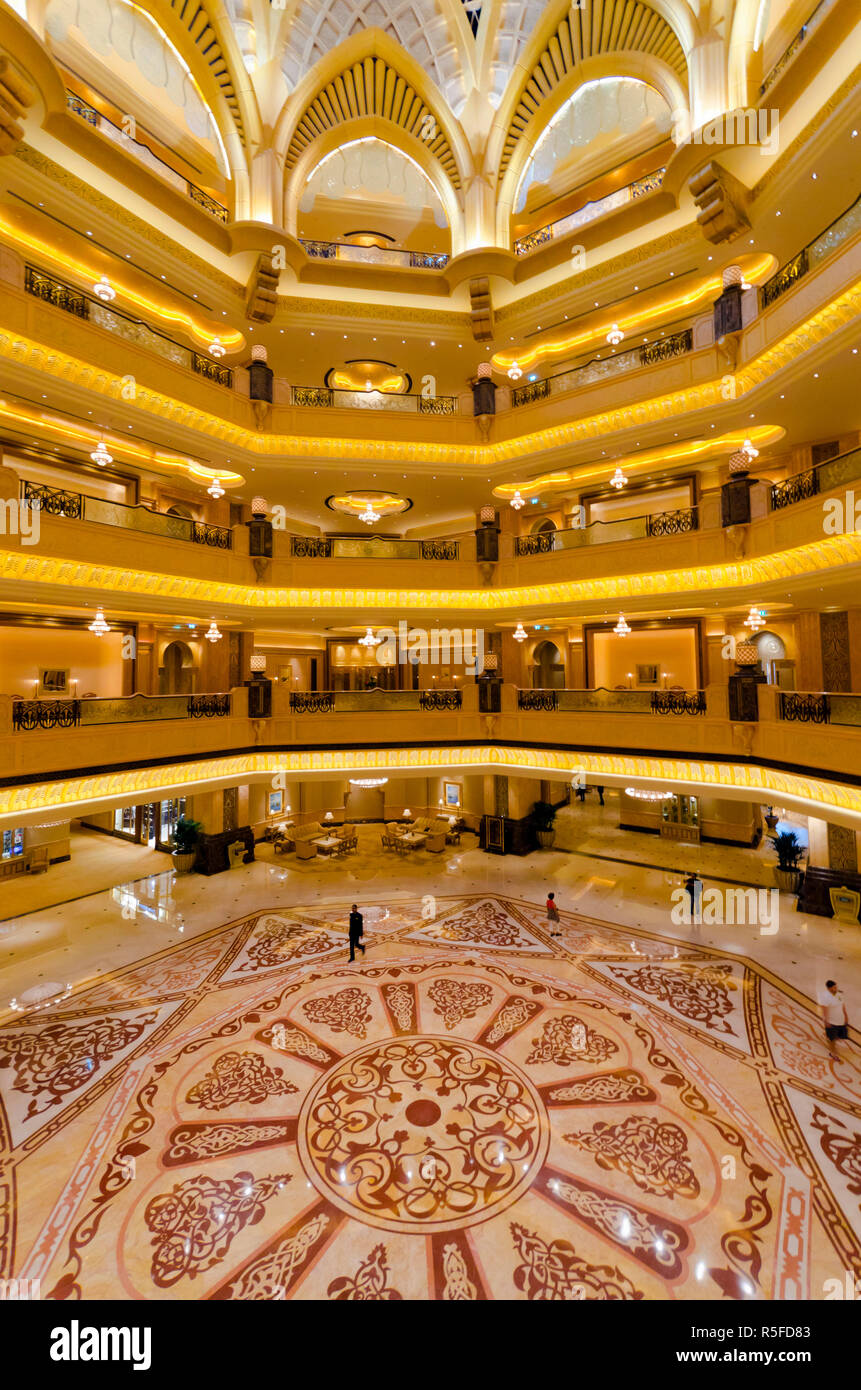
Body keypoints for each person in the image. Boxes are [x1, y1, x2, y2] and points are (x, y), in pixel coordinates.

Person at [821, 979, 849, 1053]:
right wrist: (826, 1021)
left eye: (836, 987)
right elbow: (825, 1010)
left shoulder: (839, 994)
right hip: (831, 1021)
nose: (836, 989)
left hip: (840, 1020)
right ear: (829, 988)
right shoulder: (825, 996)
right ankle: (833, 1053)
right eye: (834, 987)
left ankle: (829, 1038)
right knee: (832, 1039)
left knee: (838, 1037)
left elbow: (843, 1006)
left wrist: (846, 1016)